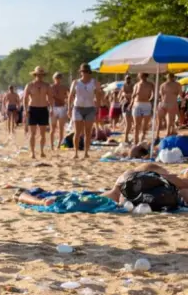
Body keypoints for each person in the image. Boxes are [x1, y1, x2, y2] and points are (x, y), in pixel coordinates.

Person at [17, 163, 188, 207]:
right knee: (67, 200)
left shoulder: (170, 182)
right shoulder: (169, 180)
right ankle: (33, 197)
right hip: (128, 185)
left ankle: (33, 197)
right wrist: (39, 201)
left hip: (128, 185)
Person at [68, 63, 102, 160]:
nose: (85, 73)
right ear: (81, 72)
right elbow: (71, 95)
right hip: (78, 107)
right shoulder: (76, 82)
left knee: (88, 132)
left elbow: (99, 94)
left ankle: (86, 152)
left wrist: (98, 107)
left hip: (90, 108)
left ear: (89, 72)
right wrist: (69, 109)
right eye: (83, 71)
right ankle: (76, 152)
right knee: (77, 132)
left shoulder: (94, 82)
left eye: (86, 71)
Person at [24, 66, 52, 159]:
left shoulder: (47, 85)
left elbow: (50, 98)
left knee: (43, 133)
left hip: (43, 109)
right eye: (38, 74)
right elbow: (25, 98)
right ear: (35, 75)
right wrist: (25, 109)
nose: (40, 76)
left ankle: (42, 151)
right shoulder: (30, 85)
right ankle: (32, 152)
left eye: (41, 74)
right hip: (33, 109)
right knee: (32, 133)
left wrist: (51, 108)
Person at [132, 73, 155, 145]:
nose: (142, 77)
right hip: (137, 103)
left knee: (145, 124)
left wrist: (150, 99)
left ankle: (141, 138)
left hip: (146, 104)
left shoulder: (150, 84)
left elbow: (154, 94)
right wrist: (131, 102)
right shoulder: (136, 84)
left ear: (146, 76)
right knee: (136, 124)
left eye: (143, 75)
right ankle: (135, 141)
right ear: (139, 76)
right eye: (140, 76)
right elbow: (133, 95)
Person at [159, 73, 182, 138]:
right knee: (171, 117)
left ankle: (171, 131)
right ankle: (169, 131)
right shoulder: (177, 84)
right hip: (172, 102)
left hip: (164, 102)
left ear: (167, 77)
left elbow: (161, 95)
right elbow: (180, 94)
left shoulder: (163, 85)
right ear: (173, 77)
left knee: (169, 117)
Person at [50, 73, 69, 150]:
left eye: (59, 77)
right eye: (56, 78)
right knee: (53, 128)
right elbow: (49, 98)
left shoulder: (64, 87)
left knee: (61, 127)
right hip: (54, 107)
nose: (58, 79)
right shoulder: (51, 87)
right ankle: (52, 145)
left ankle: (59, 144)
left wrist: (66, 100)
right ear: (54, 78)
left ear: (61, 78)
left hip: (62, 107)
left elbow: (70, 95)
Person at [121, 75, 135, 143]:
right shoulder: (124, 86)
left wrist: (128, 95)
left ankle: (132, 137)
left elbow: (132, 95)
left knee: (133, 123)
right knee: (128, 124)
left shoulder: (133, 85)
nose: (128, 79)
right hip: (126, 105)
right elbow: (123, 95)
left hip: (132, 105)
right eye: (127, 78)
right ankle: (126, 138)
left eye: (129, 78)